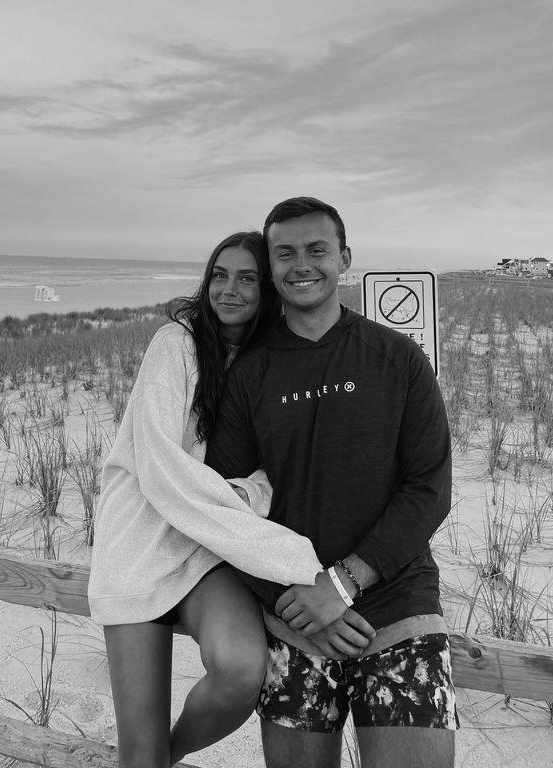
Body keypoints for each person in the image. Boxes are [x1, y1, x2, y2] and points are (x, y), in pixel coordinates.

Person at [88, 230, 375, 768]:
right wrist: (297, 561)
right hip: (140, 543)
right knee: (138, 750)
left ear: (267, 288)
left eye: (247, 278)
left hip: (209, 548)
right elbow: (161, 467)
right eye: (219, 275)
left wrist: (245, 493)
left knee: (242, 671)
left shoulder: (272, 363)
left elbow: (277, 470)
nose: (229, 289)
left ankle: (161, 757)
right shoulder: (175, 344)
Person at [205, 198, 457, 768]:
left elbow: (429, 488)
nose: (302, 265)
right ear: (271, 269)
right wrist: (292, 601)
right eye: (285, 253)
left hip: (399, 610)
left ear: (344, 258)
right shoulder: (249, 374)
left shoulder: (397, 357)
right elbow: (224, 507)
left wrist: (340, 586)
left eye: (316, 250)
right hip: (292, 619)